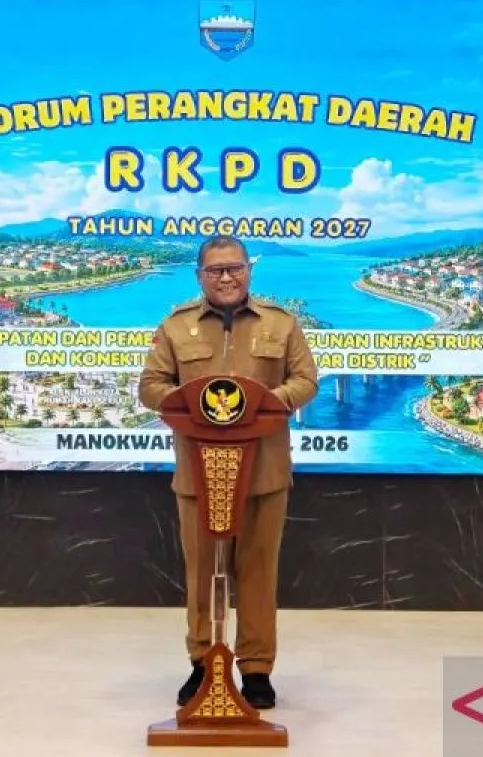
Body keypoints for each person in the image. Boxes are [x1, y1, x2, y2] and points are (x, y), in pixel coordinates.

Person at [138, 235, 319, 711]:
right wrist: (188, 403)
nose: (226, 277)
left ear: (249, 271)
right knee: (201, 574)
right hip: (199, 476)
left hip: (264, 474)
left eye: (235, 268)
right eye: (215, 270)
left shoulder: (281, 323)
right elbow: (150, 386)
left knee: (258, 572)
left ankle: (256, 670)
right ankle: (202, 663)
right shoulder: (175, 327)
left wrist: (267, 402)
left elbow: (305, 380)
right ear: (199, 276)